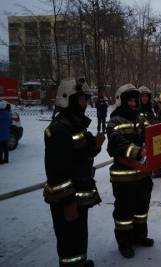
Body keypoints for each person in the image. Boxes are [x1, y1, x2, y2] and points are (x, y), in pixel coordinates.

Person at [43, 78, 105, 267]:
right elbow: (57, 172)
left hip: (78, 194)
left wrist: (96, 144)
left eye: (86, 99)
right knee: (69, 241)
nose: (85, 103)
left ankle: (80, 262)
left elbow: (83, 153)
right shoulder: (59, 129)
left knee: (79, 235)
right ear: (67, 99)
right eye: (82, 99)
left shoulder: (75, 124)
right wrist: (68, 203)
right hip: (66, 199)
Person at [106, 84, 154, 258]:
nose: (134, 103)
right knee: (124, 212)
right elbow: (116, 144)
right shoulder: (114, 121)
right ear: (122, 101)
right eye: (130, 100)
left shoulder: (141, 118)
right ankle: (125, 243)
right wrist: (137, 151)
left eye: (135, 99)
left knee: (142, 208)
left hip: (142, 174)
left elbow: (151, 134)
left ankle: (140, 236)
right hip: (123, 178)